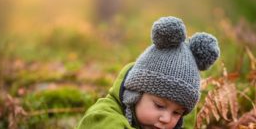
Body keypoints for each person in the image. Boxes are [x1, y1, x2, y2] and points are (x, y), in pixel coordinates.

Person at [76, 16, 220, 129]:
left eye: (177, 113)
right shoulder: (104, 116)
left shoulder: (178, 123)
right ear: (134, 94)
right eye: (159, 106)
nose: (166, 119)